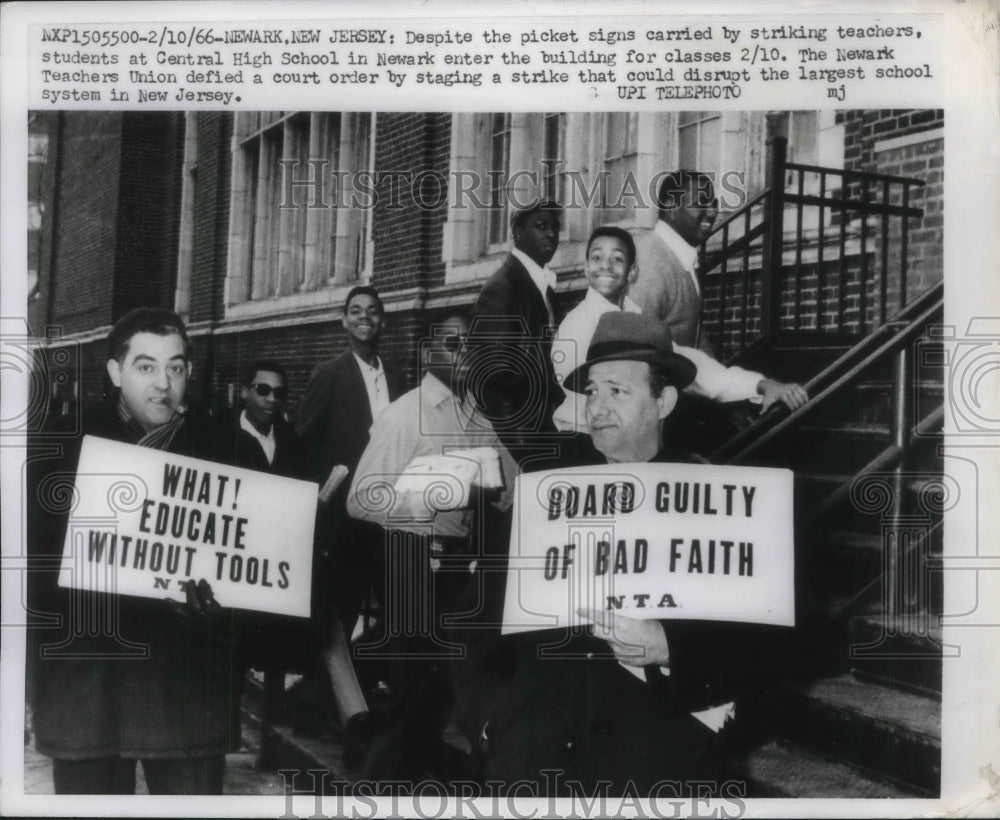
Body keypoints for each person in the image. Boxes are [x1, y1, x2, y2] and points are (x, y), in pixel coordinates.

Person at [483, 311, 771, 795]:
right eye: (592, 391)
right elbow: (476, 620)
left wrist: (669, 648)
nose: (597, 406)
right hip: (534, 759)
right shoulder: (548, 491)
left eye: (618, 391)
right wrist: (488, 718)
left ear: (664, 402)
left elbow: (756, 649)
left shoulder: (717, 501)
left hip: (653, 759)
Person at [26, 307, 233, 794]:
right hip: (87, 683)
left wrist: (224, 613)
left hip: (185, 692)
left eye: (176, 367)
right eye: (146, 366)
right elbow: (29, 572)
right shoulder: (58, 444)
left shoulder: (224, 449)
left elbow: (255, 568)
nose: (164, 383)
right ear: (116, 371)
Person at [347, 313, 516, 779]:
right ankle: (379, 787)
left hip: (458, 565)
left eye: (471, 346)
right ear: (428, 354)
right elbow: (360, 498)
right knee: (416, 690)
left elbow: (509, 490)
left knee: (443, 691)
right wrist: (435, 492)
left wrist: (489, 487)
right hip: (410, 558)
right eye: (453, 343)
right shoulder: (404, 415)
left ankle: (398, 777)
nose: (466, 354)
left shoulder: (478, 417)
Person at [293, 285, 405, 764]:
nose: (365, 320)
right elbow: (302, 441)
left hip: (389, 516)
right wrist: (321, 495)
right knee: (339, 610)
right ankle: (333, 711)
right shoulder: (330, 375)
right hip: (343, 518)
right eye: (356, 312)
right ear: (344, 321)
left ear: (383, 320)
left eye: (373, 313)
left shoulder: (396, 376)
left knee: (393, 611)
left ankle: (329, 702)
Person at [552, 226, 809, 433]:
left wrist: (762, 385)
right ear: (586, 269)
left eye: (617, 259)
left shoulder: (637, 317)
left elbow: (691, 365)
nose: (606, 266)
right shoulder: (577, 325)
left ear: (632, 272)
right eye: (596, 258)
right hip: (583, 439)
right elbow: (584, 399)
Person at [218, 359, 310, 765]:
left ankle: (269, 745)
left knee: (273, 655)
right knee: (229, 658)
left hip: (274, 565)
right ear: (244, 391)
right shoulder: (216, 435)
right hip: (230, 563)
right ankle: (222, 740)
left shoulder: (291, 440)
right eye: (263, 390)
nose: (272, 399)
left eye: (280, 392)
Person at [466, 198, 566, 469]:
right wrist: (526, 447)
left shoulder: (540, 284)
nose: (551, 234)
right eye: (541, 226)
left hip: (544, 430)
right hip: (524, 441)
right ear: (518, 234)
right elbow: (493, 380)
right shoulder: (503, 289)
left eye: (555, 227)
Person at [629, 170, 719, 353]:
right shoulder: (650, 261)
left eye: (714, 204)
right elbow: (635, 348)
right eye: (701, 203)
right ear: (671, 208)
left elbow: (695, 347)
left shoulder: (679, 256)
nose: (712, 212)